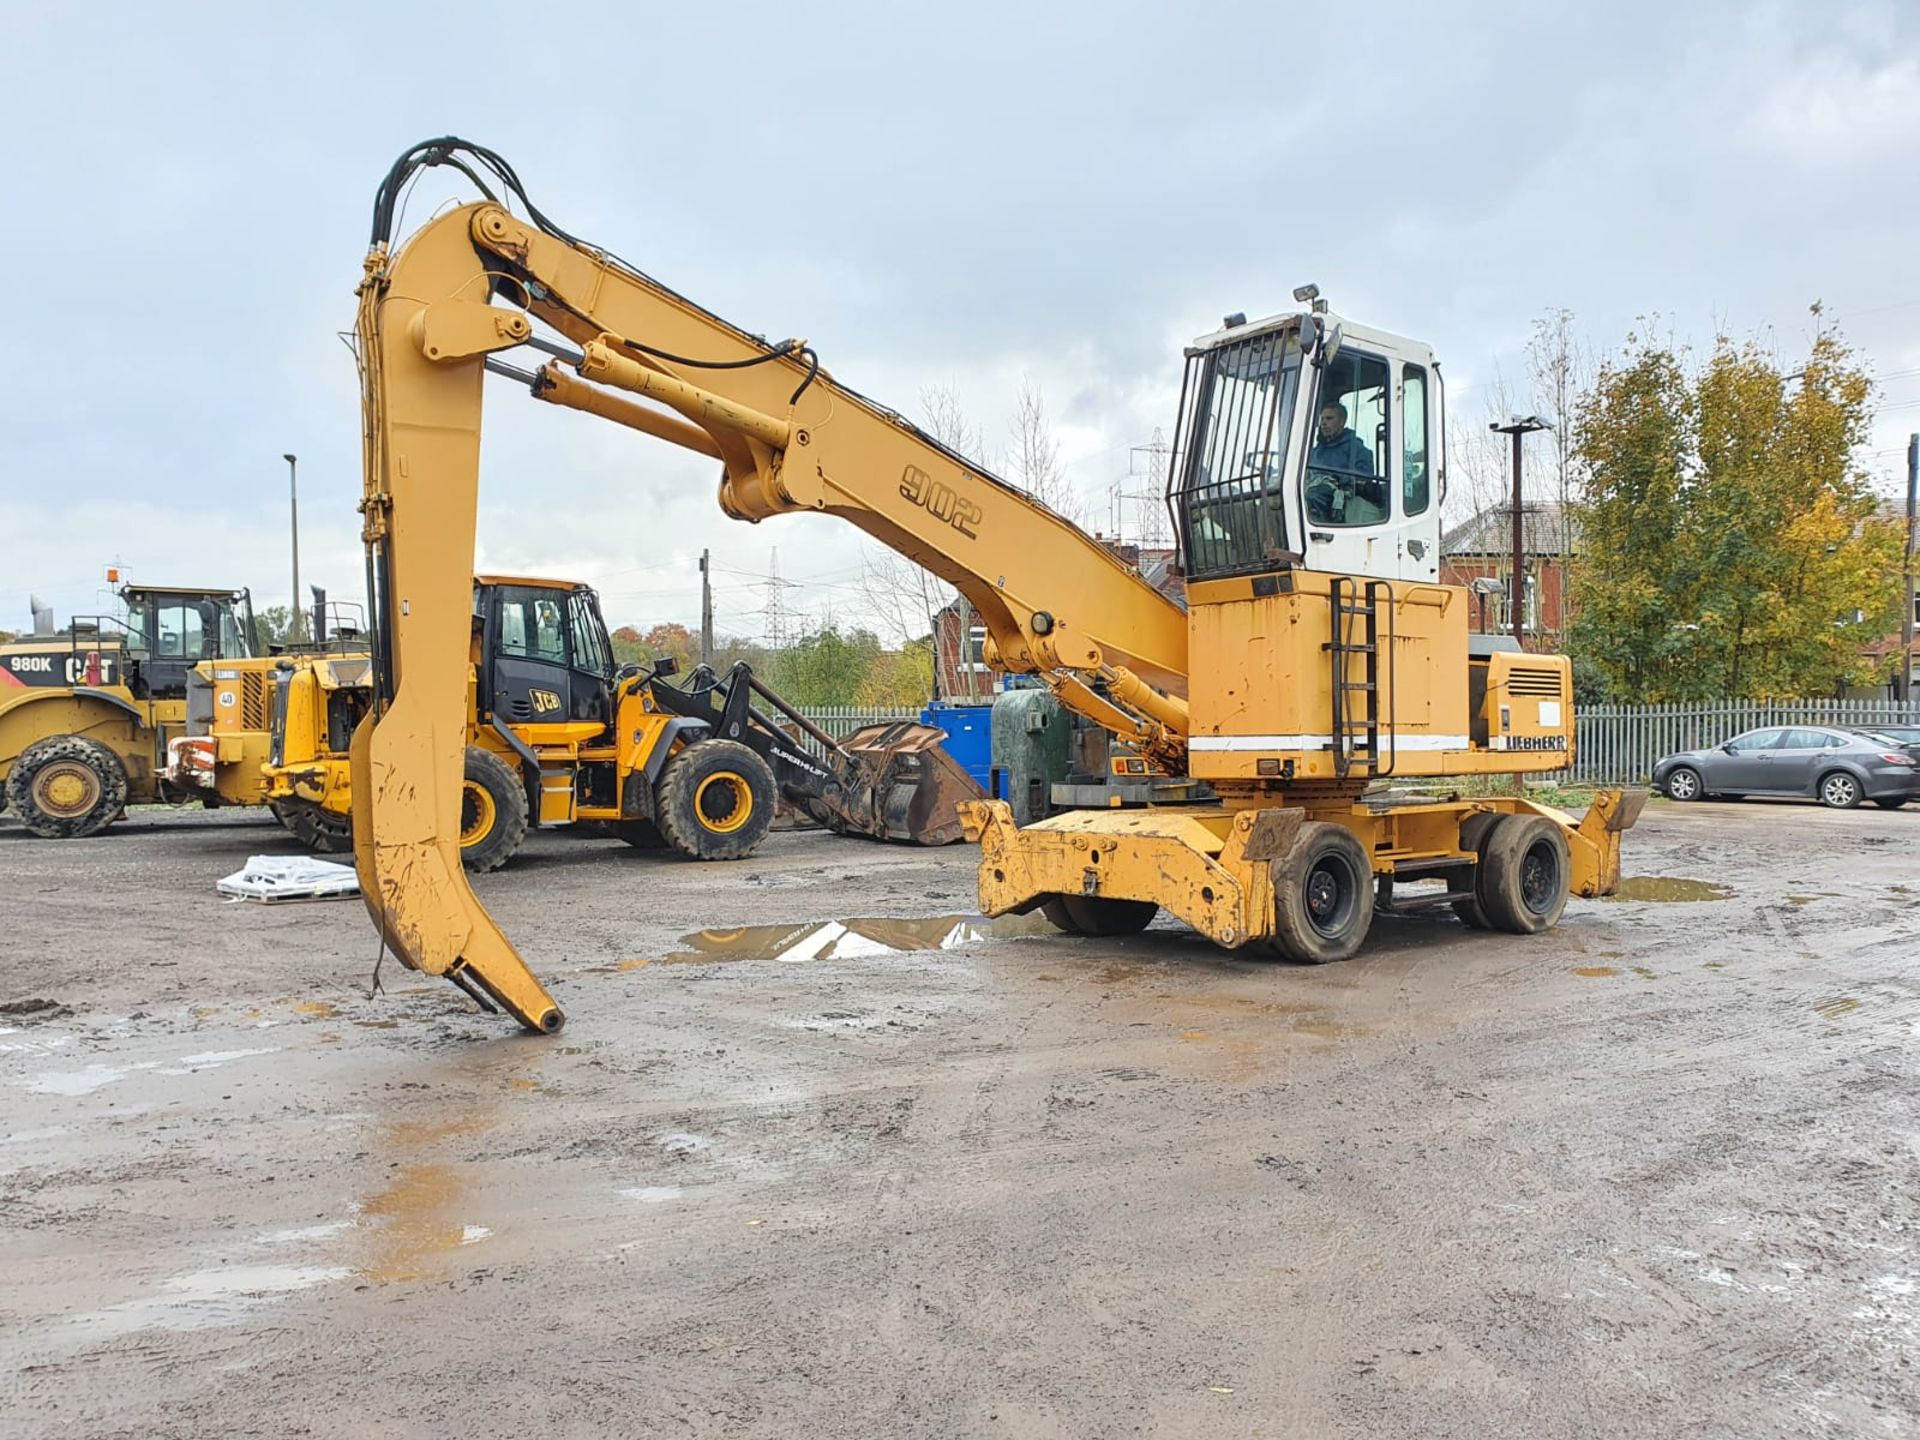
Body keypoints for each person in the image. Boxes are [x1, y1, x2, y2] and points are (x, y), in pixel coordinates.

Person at [1306, 401, 1387, 524]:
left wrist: (1337, 481)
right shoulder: (1315, 451)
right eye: (1322, 419)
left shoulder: (1356, 448)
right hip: (1314, 490)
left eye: (1329, 418)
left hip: (1338, 497)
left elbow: (1363, 477)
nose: (1323, 423)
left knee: (1311, 496)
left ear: (1342, 422)